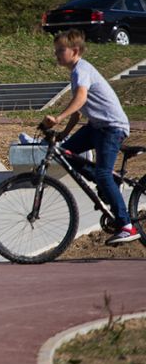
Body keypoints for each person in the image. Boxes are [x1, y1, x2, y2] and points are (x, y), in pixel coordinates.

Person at [41, 29, 136, 245]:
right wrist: (63, 134)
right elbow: (77, 111)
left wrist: (57, 117)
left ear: (74, 51)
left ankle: (127, 225)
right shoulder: (75, 72)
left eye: (60, 51)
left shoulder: (81, 70)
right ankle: (110, 183)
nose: (56, 54)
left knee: (101, 174)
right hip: (96, 127)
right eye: (56, 51)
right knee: (66, 154)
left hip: (111, 128)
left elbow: (81, 99)